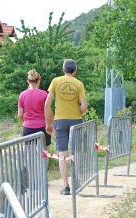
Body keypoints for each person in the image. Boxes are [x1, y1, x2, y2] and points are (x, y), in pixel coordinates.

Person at [44, 59, 88, 195]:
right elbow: (84, 106)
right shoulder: (79, 84)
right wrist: (76, 112)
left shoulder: (55, 81)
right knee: (77, 152)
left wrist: (48, 122)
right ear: (75, 70)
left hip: (60, 121)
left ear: (63, 70)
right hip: (76, 121)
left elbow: (47, 104)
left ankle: (66, 185)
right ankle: (77, 181)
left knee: (62, 154)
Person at [18, 69, 51, 152]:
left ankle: (31, 166)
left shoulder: (22, 95)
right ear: (39, 80)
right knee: (44, 154)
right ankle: (44, 166)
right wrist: (51, 124)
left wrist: (24, 122)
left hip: (28, 128)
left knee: (29, 155)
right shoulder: (44, 94)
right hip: (43, 127)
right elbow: (49, 112)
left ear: (28, 81)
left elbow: (20, 115)